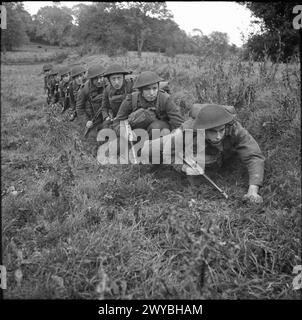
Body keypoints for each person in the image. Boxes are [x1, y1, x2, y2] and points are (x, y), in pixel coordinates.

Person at [141, 103, 265, 204]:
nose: (218, 136)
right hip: (183, 142)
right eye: (213, 131)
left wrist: (253, 190)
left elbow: (253, 155)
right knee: (148, 151)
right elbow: (170, 153)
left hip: (215, 155)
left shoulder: (234, 127)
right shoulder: (188, 130)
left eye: (221, 130)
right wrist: (183, 167)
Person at [113, 70, 184, 138]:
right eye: (147, 89)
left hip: (159, 130)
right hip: (136, 132)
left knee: (155, 128)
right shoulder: (131, 99)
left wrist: (178, 134)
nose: (152, 93)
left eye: (154, 88)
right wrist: (124, 132)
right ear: (141, 91)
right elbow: (118, 121)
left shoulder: (165, 99)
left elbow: (178, 122)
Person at [76, 64, 106, 155]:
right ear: (91, 79)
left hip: (106, 117)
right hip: (93, 120)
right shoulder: (84, 90)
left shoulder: (108, 85)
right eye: (96, 78)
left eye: (101, 77)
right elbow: (79, 108)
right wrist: (86, 121)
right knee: (92, 143)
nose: (100, 80)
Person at [100, 64, 134, 128]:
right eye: (113, 79)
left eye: (119, 78)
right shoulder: (107, 90)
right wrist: (106, 117)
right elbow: (104, 108)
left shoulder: (131, 86)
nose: (117, 82)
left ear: (123, 78)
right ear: (109, 80)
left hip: (131, 117)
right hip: (115, 118)